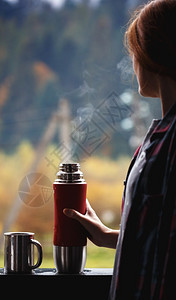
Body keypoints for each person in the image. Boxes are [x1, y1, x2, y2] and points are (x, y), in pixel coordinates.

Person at [64, 0, 176, 299]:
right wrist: (109, 236)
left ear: (153, 55)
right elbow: (163, 232)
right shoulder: (162, 135)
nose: (132, 67)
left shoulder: (170, 140)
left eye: (134, 55)